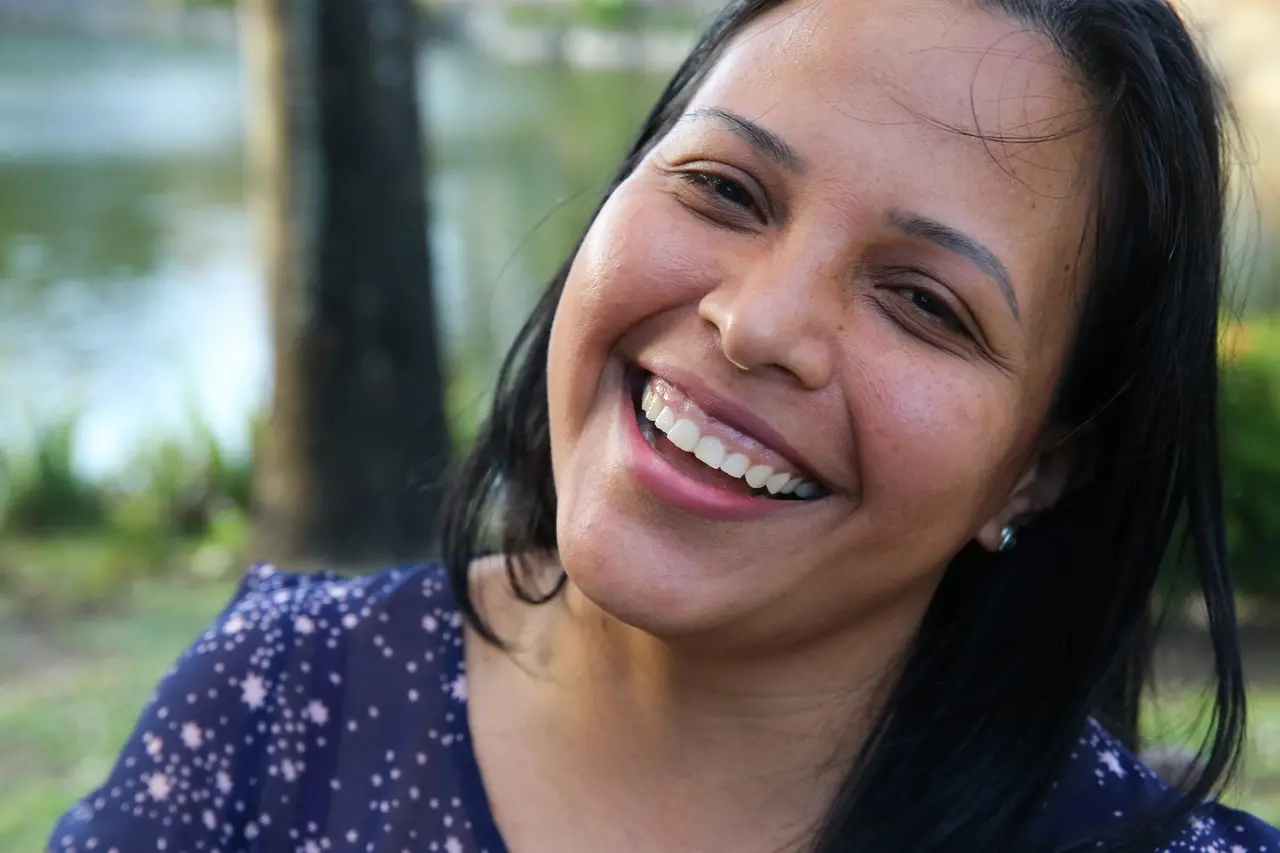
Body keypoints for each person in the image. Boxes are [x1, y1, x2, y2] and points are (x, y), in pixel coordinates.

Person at [48, 0, 1280, 851]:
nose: (756, 324)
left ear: (1039, 467)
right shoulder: (273, 709)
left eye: (920, 303)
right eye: (725, 189)